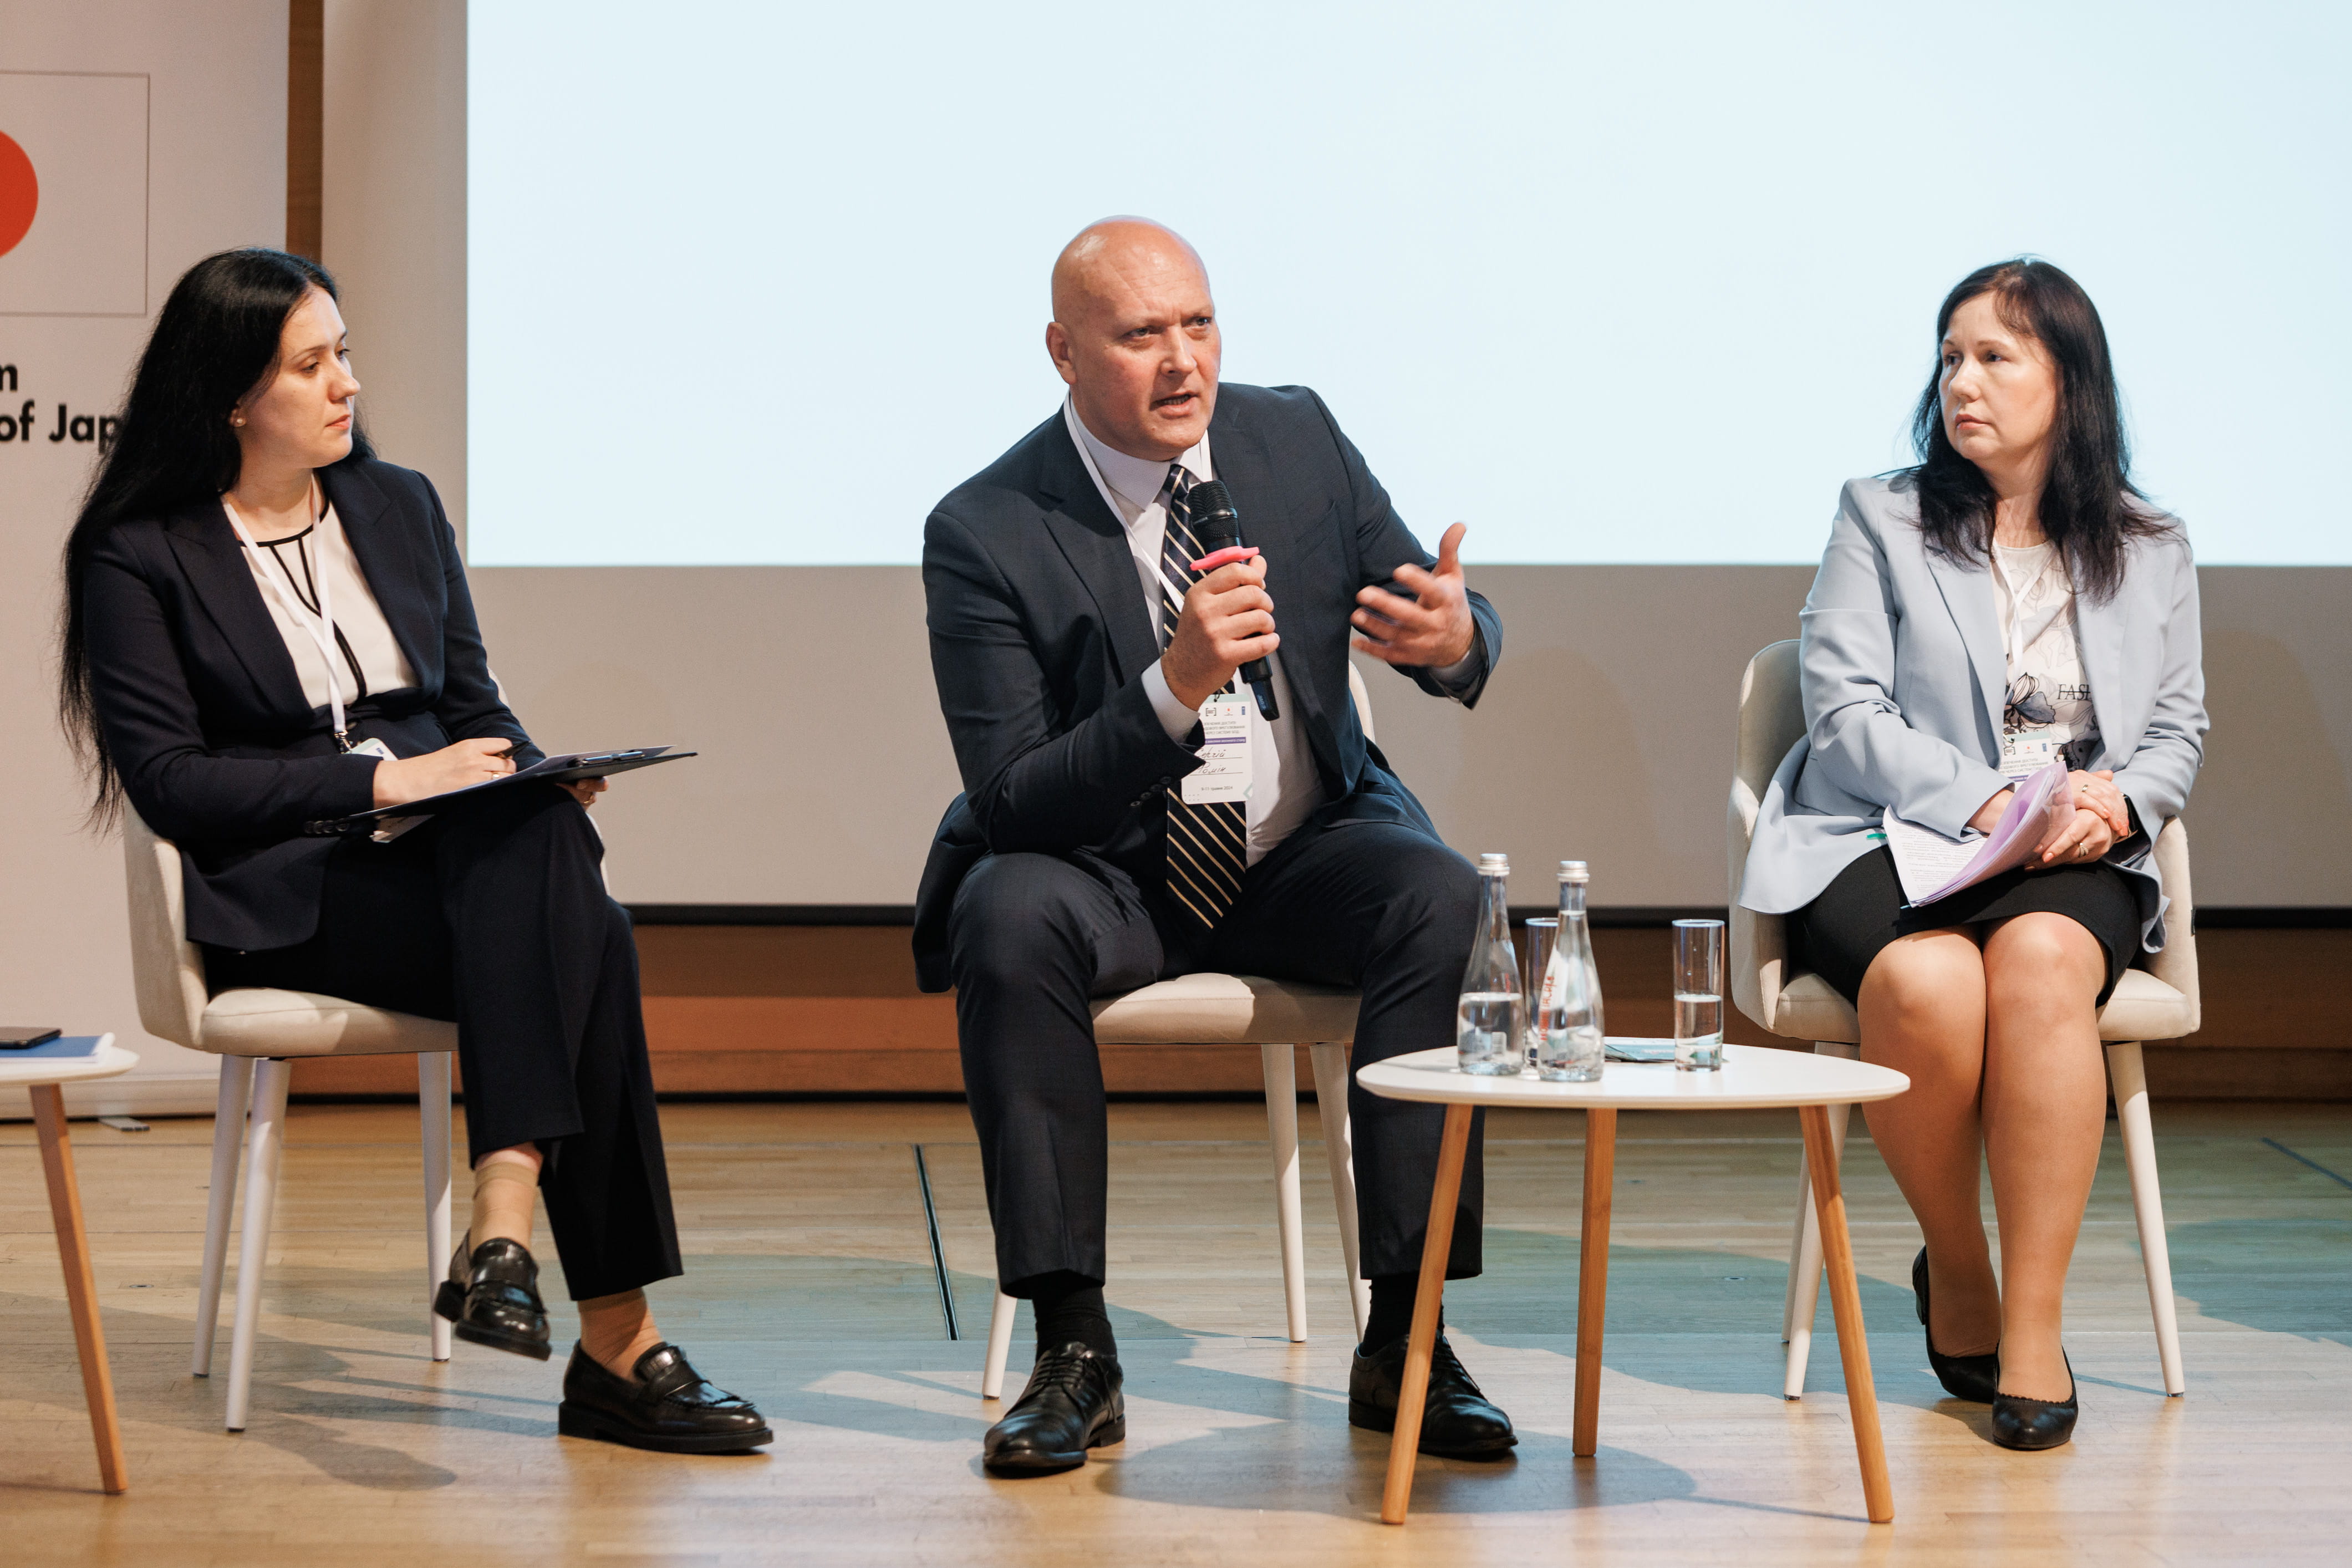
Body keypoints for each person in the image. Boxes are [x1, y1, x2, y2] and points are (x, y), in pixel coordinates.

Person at [59, 248, 770, 1454]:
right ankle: (604, 1329)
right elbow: (172, 781)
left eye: (343, 353)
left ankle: (510, 1242)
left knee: (544, 834)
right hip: (291, 892)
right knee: (588, 939)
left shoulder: (399, 505)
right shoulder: (141, 552)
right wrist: (382, 779)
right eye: (311, 364)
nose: (348, 383)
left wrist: (533, 773)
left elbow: (477, 708)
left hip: (454, 867)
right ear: (231, 396)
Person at [917, 218, 1514, 1477]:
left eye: (1199, 323)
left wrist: (1457, 636)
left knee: (1441, 896)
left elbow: (1427, 601)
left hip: (1299, 849)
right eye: (1142, 335)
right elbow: (1014, 799)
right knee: (1003, 912)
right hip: (1109, 875)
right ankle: (1074, 1350)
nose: (1183, 360)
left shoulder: (1295, 437)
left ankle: (1407, 1338)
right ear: (1063, 352)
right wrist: (1170, 687)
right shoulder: (986, 526)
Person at [1739, 258, 2205, 1450]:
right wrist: (1999, 800)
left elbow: (2175, 730)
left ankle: (2035, 1328)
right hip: (1885, 832)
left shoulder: (2151, 543)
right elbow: (1845, 718)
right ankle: (1957, 1264)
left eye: (1995, 357)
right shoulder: (1880, 514)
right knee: (1927, 981)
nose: (1962, 381)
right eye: (1950, 357)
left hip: (2070, 850)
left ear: (2070, 381)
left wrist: (2117, 804)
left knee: (2044, 965)